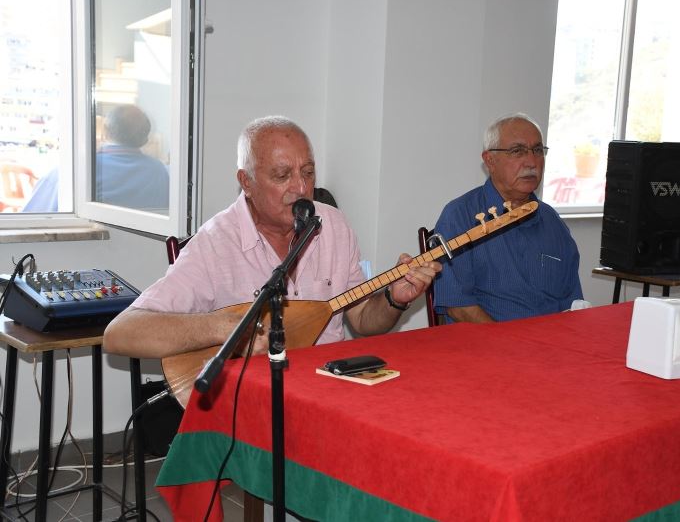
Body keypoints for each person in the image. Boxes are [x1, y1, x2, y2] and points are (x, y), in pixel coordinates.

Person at [104, 116, 441, 358]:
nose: (300, 187)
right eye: (282, 175)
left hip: (329, 390)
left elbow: (364, 321)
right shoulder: (216, 242)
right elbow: (121, 333)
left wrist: (395, 299)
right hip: (252, 401)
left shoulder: (334, 225)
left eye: (308, 173)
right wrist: (224, 327)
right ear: (246, 181)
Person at [433, 113, 583, 323]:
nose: (531, 161)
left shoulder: (552, 222)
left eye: (538, 150)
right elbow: (458, 307)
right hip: (488, 346)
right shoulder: (460, 216)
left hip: (551, 345)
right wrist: (507, 344)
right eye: (517, 151)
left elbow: (573, 303)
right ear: (490, 160)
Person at [22, 104, 169, 213]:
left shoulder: (75, 171)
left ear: (104, 132)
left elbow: (31, 221)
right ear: (144, 139)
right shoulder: (159, 172)